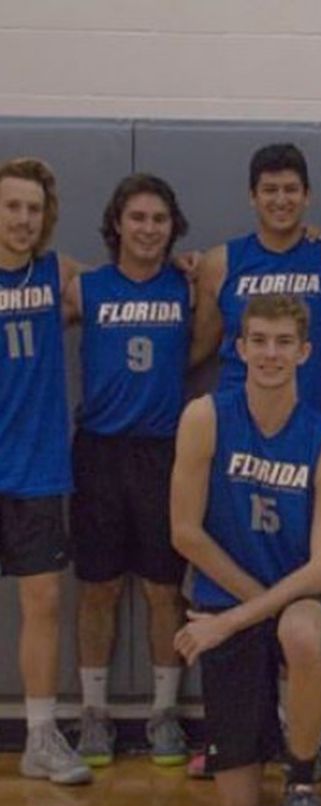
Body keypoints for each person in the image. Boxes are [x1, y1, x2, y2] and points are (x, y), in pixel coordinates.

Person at [171, 294, 321, 806]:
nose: (271, 354)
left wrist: (238, 619)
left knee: (298, 631)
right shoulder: (205, 416)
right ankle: (287, 730)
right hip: (229, 597)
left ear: (305, 351)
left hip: (296, 599)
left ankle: (300, 786)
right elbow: (185, 532)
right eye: (260, 341)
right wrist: (248, 612)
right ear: (240, 348)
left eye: (284, 342)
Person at [63, 173, 193, 767]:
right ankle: (94, 714)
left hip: (164, 452)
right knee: (99, 588)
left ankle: (164, 713)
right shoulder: (85, 288)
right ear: (117, 223)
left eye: (159, 219)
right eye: (137, 218)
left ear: (173, 228)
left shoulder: (189, 287)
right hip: (99, 451)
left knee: (164, 589)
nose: (148, 229)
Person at [0, 157, 90, 785]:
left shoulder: (59, 275)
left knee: (44, 601)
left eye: (33, 208)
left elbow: (128, 285)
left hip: (36, 469)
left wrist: (184, 266)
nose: (24, 219)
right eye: (12, 206)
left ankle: (39, 736)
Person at [192, 143, 321, 419]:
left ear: (307, 196)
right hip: (237, 422)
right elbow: (201, 346)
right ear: (252, 196)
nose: (281, 200)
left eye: (291, 189)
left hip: (311, 419)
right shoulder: (221, 262)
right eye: (270, 190)